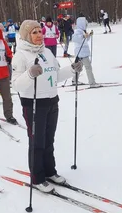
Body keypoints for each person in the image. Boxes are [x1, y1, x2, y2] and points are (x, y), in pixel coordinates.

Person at [12, 20, 83, 192]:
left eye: (39, 31)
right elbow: (16, 85)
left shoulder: (47, 52)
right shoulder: (20, 55)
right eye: (34, 32)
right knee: (37, 142)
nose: (39, 35)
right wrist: (29, 74)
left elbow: (56, 76)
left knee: (49, 140)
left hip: (52, 101)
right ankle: (37, 177)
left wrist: (72, 69)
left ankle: (50, 171)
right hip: (34, 104)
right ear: (26, 35)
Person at [71, 15, 101, 87]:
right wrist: (83, 36)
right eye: (85, 24)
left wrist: (89, 35)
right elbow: (75, 39)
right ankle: (92, 83)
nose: (86, 26)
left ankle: (74, 80)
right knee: (88, 67)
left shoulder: (82, 31)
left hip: (82, 52)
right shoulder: (77, 31)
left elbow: (85, 40)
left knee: (79, 67)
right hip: (81, 52)